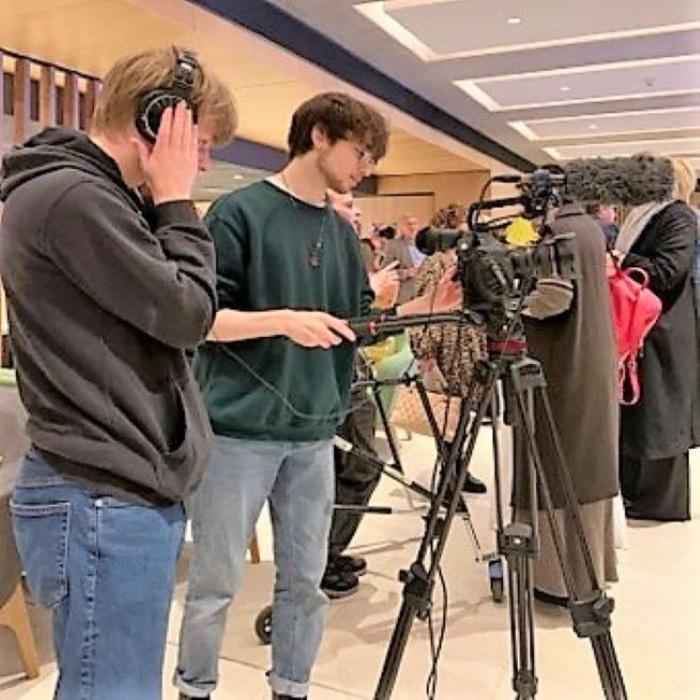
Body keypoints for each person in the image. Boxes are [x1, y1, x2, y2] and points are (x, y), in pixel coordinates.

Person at [174, 92, 462, 700]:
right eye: (360, 152)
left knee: (305, 581)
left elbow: (355, 323)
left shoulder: (338, 228)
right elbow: (198, 317)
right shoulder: (238, 213)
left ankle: (292, 687)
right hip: (237, 433)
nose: (365, 166)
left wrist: (422, 310)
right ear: (321, 136)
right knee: (215, 583)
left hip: (313, 434)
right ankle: (194, 688)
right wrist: (282, 319)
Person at [0, 47, 237, 699]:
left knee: (106, 683)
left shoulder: (86, 195)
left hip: (108, 490)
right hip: (102, 494)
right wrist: (178, 204)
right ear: (161, 122)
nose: (204, 161)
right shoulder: (76, 197)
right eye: (202, 142)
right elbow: (187, 312)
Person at [515, 198, 620, 605]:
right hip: (589, 361)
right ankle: (588, 571)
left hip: (562, 368)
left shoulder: (560, 232)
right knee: (585, 466)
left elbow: (554, 297)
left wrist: (508, 304)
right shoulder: (590, 228)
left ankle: (557, 579)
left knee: (558, 465)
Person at [617, 157, 699, 521]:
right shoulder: (644, 216)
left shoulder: (677, 216)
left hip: (664, 330)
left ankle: (659, 501)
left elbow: (668, 270)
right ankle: (637, 492)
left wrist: (621, 258)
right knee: (643, 412)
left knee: (661, 416)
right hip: (644, 327)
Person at [384, 213, 422, 303]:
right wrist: (407, 273)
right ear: (401, 228)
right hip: (406, 297)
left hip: (427, 296)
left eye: (415, 224)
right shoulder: (393, 245)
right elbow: (386, 272)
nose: (412, 227)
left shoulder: (428, 244)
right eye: (409, 224)